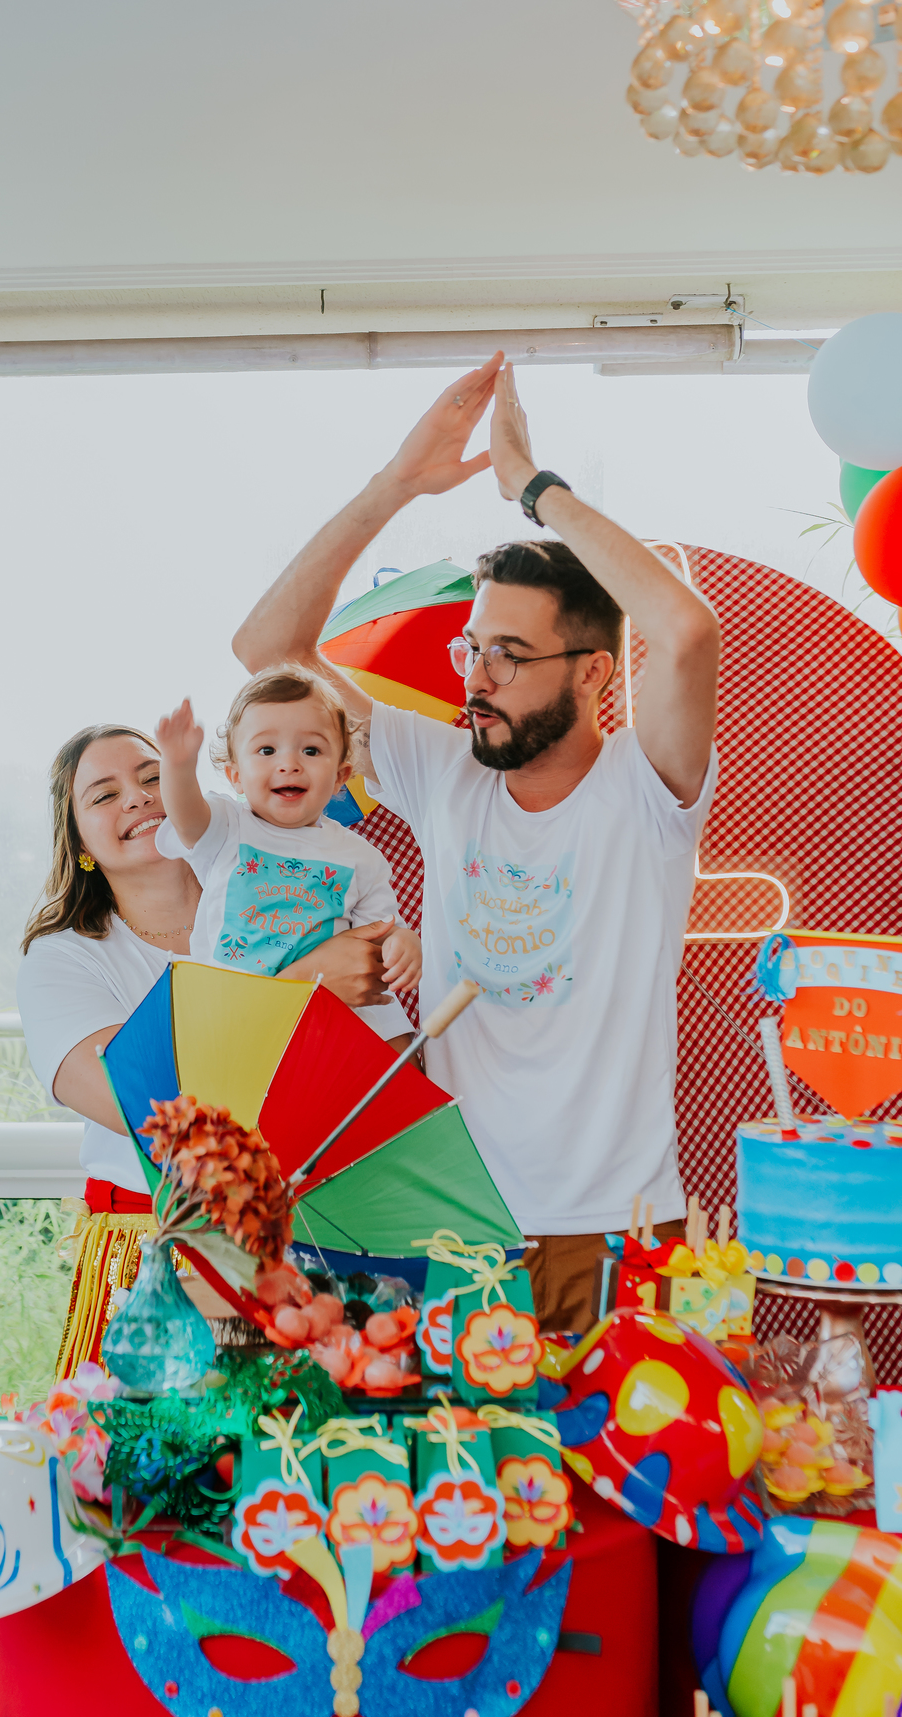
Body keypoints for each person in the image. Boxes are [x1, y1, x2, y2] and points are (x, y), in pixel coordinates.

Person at [233, 354, 721, 1333]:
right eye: (471, 647)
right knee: (471, 1486)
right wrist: (396, 486)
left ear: (592, 674)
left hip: (615, 1232)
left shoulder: (646, 785)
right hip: (458, 1224)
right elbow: (268, 652)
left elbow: (684, 628)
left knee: (621, 1486)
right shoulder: (444, 770)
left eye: (508, 653)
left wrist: (532, 489)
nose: (476, 676)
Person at [15, 723, 402, 1367]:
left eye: (150, 775)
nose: (138, 798)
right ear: (79, 842)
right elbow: (146, 1103)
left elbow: (368, 1070)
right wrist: (300, 983)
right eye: (103, 795)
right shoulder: (64, 958)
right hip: (153, 1254)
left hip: (302, 1241)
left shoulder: (297, 907)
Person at [155, 666, 419, 1049]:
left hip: (327, 1022)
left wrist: (403, 941)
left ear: (341, 776)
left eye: (311, 750)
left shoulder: (361, 856)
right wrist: (177, 766)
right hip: (236, 1020)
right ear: (235, 776)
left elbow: (378, 933)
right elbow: (186, 816)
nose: (289, 763)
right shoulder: (227, 828)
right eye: (266, 750)